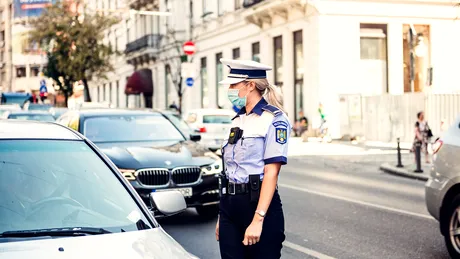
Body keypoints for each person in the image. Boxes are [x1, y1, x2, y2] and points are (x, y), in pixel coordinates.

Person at [216, 58, 290, 259]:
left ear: (250, 85)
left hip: (257, 205)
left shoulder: (274, 120)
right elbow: (228, 171)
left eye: (233, 85)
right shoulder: (237, 120)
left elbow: (271, 172)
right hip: (229, 208)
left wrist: (258, 219)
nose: (230, 90)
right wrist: (222, 215)